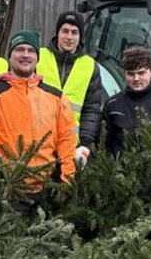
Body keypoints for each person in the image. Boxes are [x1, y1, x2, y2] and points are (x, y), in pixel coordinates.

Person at [0, 30, 77, 202]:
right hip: (3, 191)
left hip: (47, 191)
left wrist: (66, 180)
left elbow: (67, 140)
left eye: (31, 50)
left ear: (37, 58)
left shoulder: (56, 97)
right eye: (19, 49)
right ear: (9, 56)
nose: (25, 55)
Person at [36, 11, 105, 166]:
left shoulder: (90, 66)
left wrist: (85, 144)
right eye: (65, 31)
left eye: (74, 32)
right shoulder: (38, 57)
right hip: (38, 143)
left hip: (72, 147)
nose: (69, 37)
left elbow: (91, 109)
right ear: (58, 33)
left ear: (80, 36)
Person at [102, 45, 151, 157]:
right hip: (120, 166)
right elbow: (103, 143)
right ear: (124, 73)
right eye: (131, 74)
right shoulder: (112, 105)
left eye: (141, 73)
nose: (136, 79)